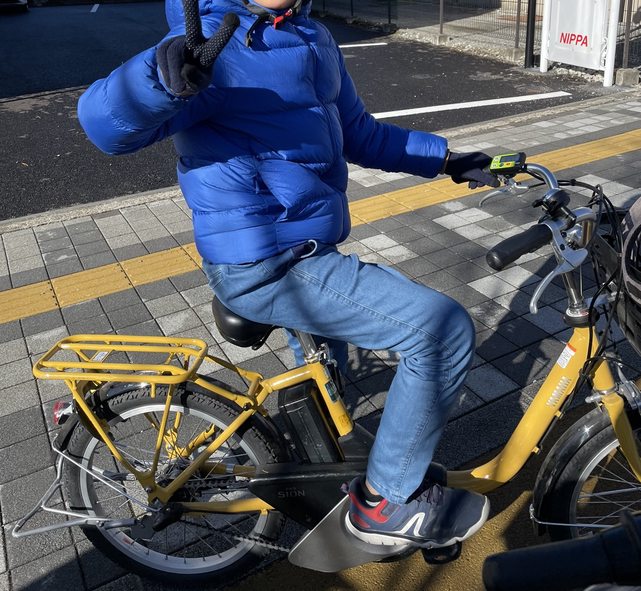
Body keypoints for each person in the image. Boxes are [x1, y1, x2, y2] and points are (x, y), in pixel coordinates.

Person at [78, 0, 497, 549]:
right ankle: (384, 504)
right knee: (440, 331)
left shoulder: (310, 36)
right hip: (267, 266)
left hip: (309, 250)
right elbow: (105, 128)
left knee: (328, 378)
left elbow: (360, 133)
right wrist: (156, 78)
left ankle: (325, 458)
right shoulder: (212, 43)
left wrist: (447, 159)